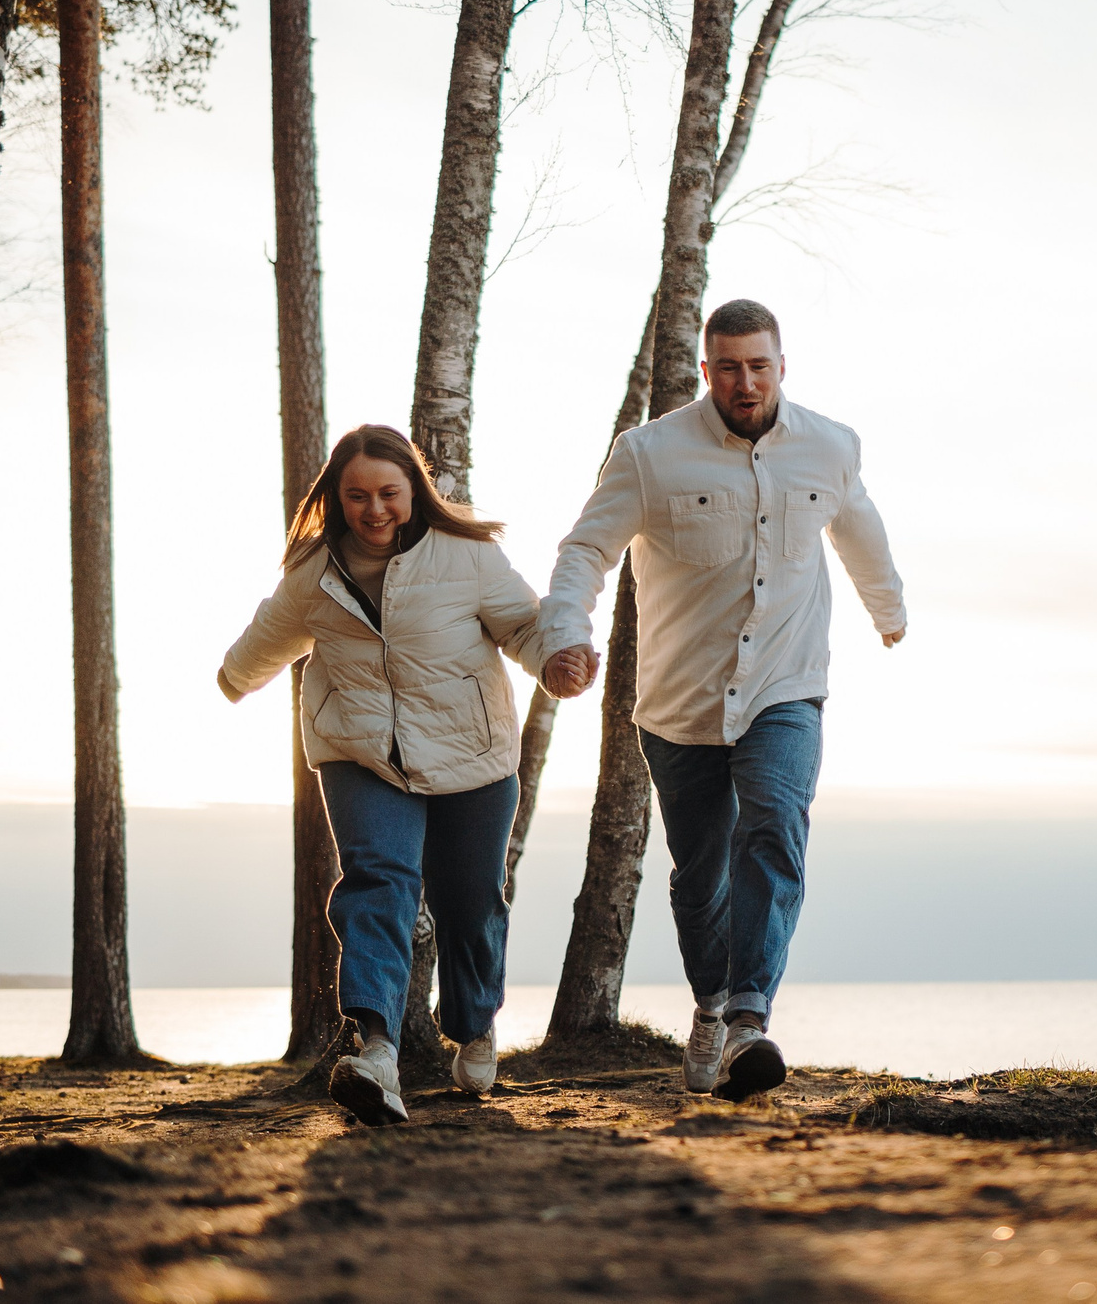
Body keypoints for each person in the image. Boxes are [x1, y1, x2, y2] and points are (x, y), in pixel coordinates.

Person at [539, 299, 907, 1100]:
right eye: (730, 367)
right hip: (682, 702)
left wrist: (891, 610)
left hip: (787, 682)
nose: (747, 381)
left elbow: (860, 528)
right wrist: (566, 631)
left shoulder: (829, 446)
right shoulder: (648, 454)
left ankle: (748, 1018)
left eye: (760, 365)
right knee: (699, 875)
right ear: (707, 371)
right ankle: (710, 1003)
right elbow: (584, 550)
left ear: (783, 365)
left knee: (775, 825)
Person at [218, 423, 578, 1126]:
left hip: (470, 754)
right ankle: (376, 1048)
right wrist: (232, 677)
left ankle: (473, 1025)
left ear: (415, 489)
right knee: (378, 879)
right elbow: (263, 642)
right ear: (335, 498)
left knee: (470, 899)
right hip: (360, 754)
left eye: (388, 492)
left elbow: (524, 628)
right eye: (356, 496)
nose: (374, 509)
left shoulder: (469, 554)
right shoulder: (314, 574)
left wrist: (557, 661)